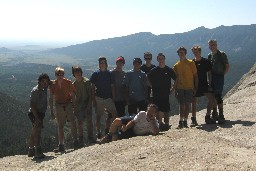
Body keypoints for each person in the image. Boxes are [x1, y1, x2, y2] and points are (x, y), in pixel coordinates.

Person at [49, 67, 78, 152]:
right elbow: (51, 98)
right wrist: (51, 110)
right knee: (60, 125)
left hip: (68, 104)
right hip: (59, 105)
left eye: (62, 74)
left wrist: (74, 105)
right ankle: (61, 144)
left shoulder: (68, 82)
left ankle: (75, 141)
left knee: (73, 122)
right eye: (59, 74)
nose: (60, 76)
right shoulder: (53, 85)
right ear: (56, 75)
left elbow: (72, 95)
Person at [90, 56, 118, 139]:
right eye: (101, 63)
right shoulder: (95, 74)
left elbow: (112, 86)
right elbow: (92, 88)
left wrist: (113, 98)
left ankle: (112, 131)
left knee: (114, 115)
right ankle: (98, 133)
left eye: (103, 62)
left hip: (108, 98)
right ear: (99, 64)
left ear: (106, 64)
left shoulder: (109, 74)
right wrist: (93, 99)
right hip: (98, 98)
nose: (102, 64)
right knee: (98, 116)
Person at [147, 53, 176, 131]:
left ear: (164, 59)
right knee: (157, 110)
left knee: (166, 109)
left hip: (166, 93)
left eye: (162, 58)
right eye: (159, 59)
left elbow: (176, 79)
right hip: (156, 93)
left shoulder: (169, 70)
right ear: (157, 60)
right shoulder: (154, 70)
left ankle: (166, 124)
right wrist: (152, 86)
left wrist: (173, 89)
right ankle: (159, 125)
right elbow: (147, 79)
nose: (161, 60)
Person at [173, 46, 198, 128]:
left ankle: (185, 121)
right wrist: (175, 89)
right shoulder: (176, 65)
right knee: (181, 104)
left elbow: (195, 75)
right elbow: (175, 79)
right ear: (178, 54)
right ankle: (181, 121)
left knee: (187, 104)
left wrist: (195, 87)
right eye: (180, 52)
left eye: (183, 52)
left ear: (185, 53)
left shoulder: (191, 63)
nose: (181, 53)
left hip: (189, 87)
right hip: (180, 87)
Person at [27, 73, 50, 159]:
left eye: (46, 81)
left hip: (40, 113)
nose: (45, 83)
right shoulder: (35, 90)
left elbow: (51, 82)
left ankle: (31, 150)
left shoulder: (45, 87)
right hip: (35, 113)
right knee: (38, 132)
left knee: (34, 131)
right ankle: (38, 151)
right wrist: (36, 117)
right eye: (43, 81)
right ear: (39, 82)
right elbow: (32, 105)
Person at [191, 46, 215, 126]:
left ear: (200, 51)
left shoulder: (206, 61)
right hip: (195, 84)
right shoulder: (192, 62)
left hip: (204, 83)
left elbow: (209, 73)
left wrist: (210, 84)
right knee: (194, 101)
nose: (195, 53)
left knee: (211, 99)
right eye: (194, 51)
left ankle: (208, 116)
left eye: (196, 51)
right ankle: (193, 119)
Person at [208, 39, 230, 124]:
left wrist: (222, 75)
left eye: (213, 44)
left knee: (218, 96)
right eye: (210, 45)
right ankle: (215, 114)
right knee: (213, 96)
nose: (212, 46)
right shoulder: (210, 55)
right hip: (212, 77)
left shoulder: (222, 54)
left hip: (219, 77)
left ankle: (221, 115)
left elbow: (227, 66)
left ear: (216, 45)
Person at [72, 66, 94, 147]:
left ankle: (90, 137)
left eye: (79, 72)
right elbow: (73, 98)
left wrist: (89, 106)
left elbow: (90, 95)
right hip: (79, 106)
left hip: (87, 104)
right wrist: (74, 108)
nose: (77, 74)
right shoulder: (73, 84)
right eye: (76, 72)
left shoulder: (87, 82)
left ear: (81, 72)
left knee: (89, 122)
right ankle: (81, 140)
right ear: (74, 74)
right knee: (80, 123)